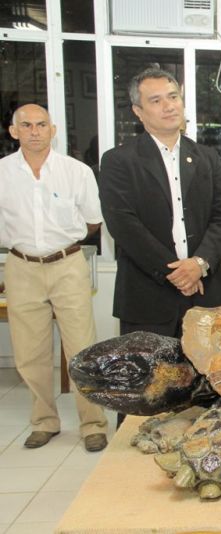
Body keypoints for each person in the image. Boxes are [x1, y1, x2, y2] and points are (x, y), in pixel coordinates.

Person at [99, 68, 221, 422]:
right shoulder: (118, 161)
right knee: (142, 396)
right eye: (155, 100)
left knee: (208, 394)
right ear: (138, 112)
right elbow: (123, 225)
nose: (168, 106)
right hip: (147, 295)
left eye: (172, 96)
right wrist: (175, 271)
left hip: (206, 293)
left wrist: (199, 263)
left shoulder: (207, 157)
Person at [0, 104, 108, 451]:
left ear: (53, 129)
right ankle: (44, 421)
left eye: (41, 124)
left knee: (82, 347)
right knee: (30, 352)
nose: (34, 131)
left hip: (67, 264)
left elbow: (93, 220)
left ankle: (92, 424)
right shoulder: (2, 172)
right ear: (13, 131)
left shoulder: (75, 172)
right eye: (26, 125)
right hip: (20, 267)